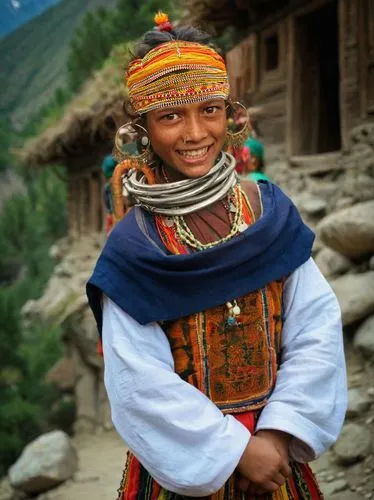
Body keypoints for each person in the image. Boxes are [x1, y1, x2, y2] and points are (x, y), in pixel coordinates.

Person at [87, 12, 347, 500]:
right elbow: (138, 384)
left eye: (209, 110)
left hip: (275, 456)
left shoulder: (268, 213)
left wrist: (279, 432)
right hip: (183, 472)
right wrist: (236, 451)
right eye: (170, 116)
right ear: (141, 129)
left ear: (232, 114)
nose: (194, 133)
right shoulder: (134, 248)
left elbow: (315, 326)